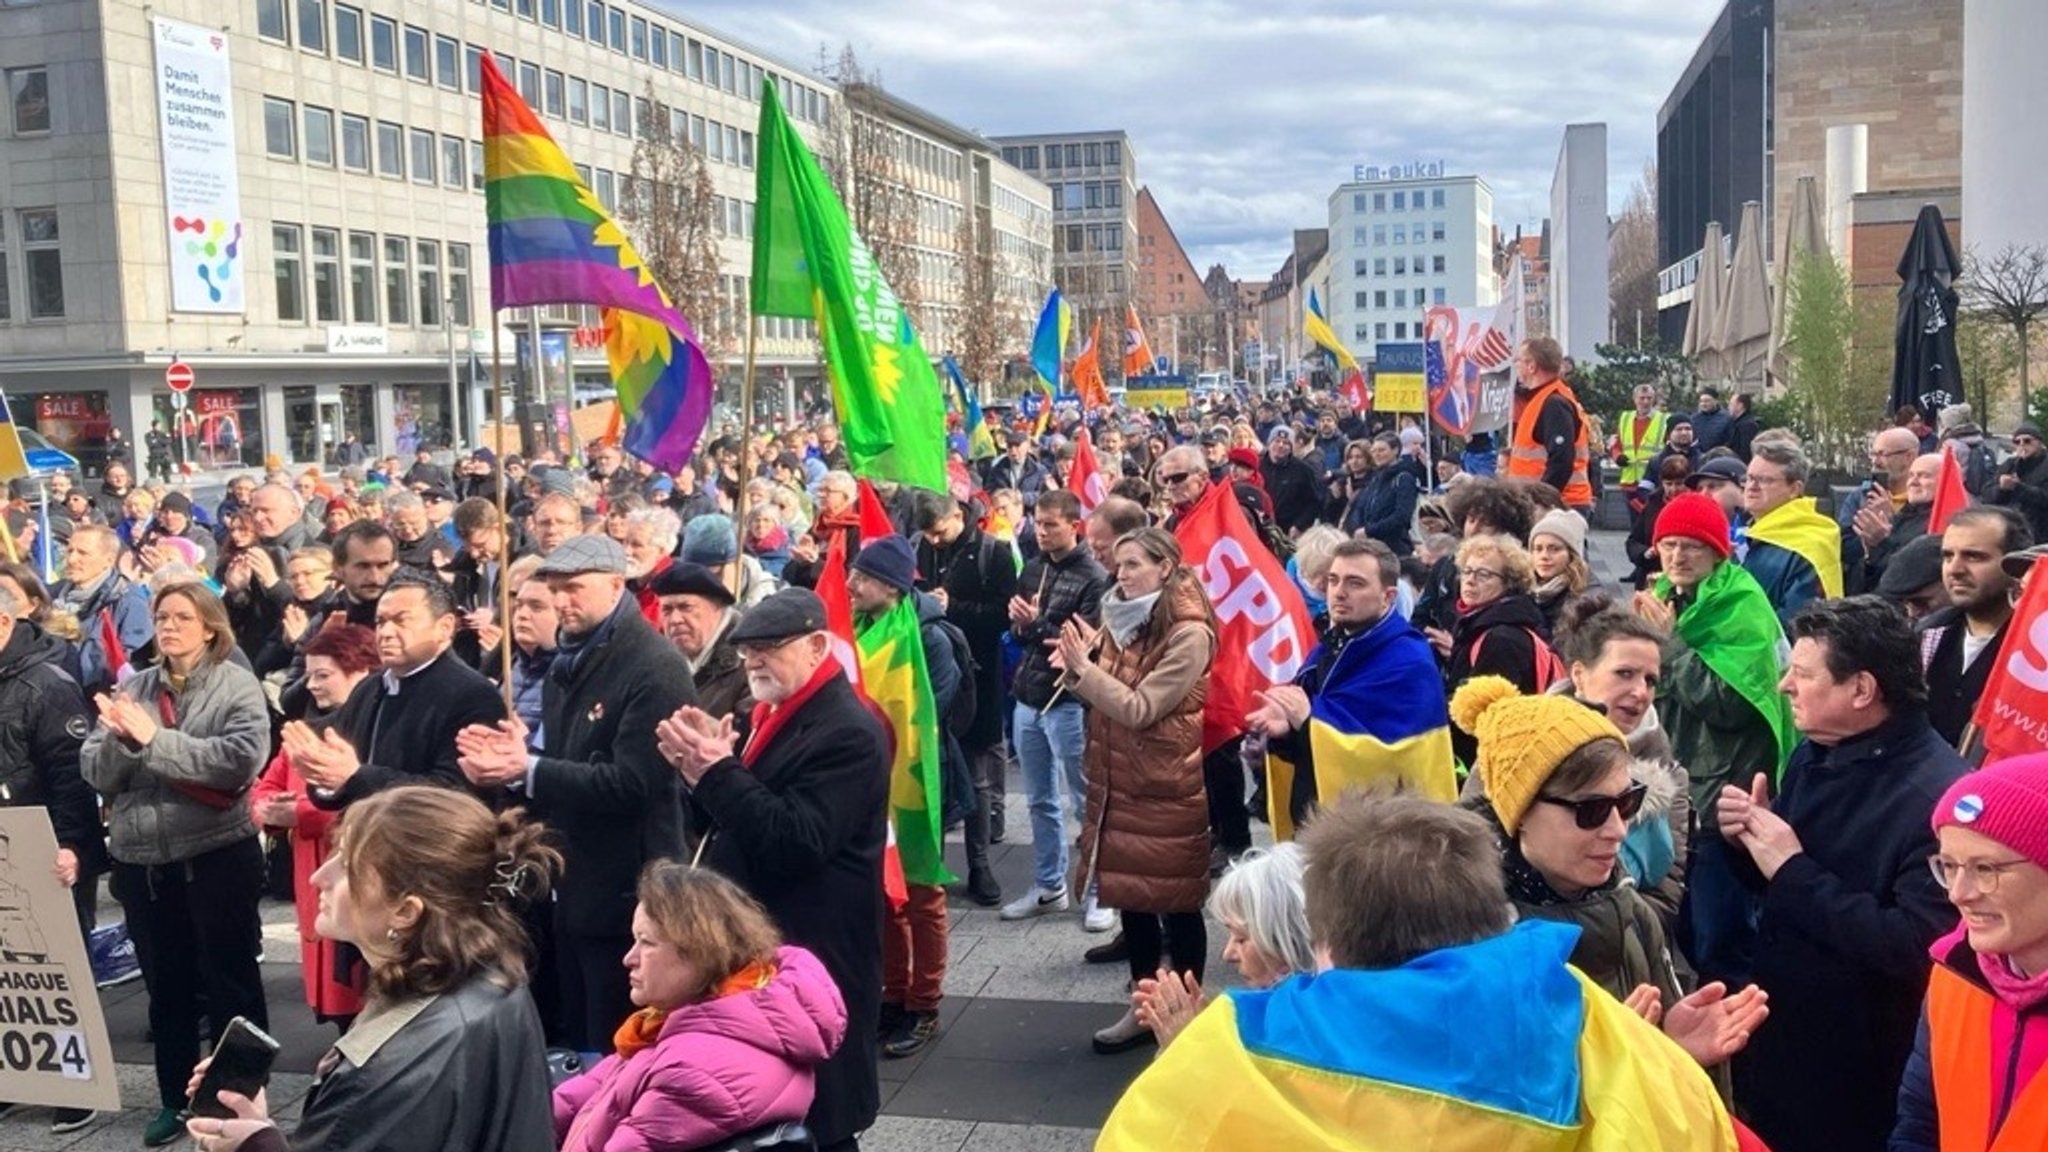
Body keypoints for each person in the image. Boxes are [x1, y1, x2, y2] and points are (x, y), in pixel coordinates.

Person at [1095, 790, 1741, 1150]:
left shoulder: (1231, 1045)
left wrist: (1185, 1055)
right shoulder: (1593, 1021)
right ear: (1492, 914)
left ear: (1325, 941)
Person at [1716, 596, 1969, 1152]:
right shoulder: (1819, 750)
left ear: (1861, 690)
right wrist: (1746, 842)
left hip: (1858, 1073)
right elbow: (1783, 887)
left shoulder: (1938, 798)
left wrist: (1790, 867)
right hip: (1785, 1036)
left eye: (1803, 675)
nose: (1785, 685)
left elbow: (1918, 949)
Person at [184, 787, 561, 1152]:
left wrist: (254, 1145)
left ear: (406, 911)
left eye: (347, 866)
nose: (319, 877)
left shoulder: (389, 1067)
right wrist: (262, 1132)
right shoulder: (489, 974)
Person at [654, 588, 887, 1152]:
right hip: (764, 942)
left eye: (767, 648)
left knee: (822, 1116)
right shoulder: (769, 712)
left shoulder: (848, 731)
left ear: (815, 646)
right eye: (746, 650)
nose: (753, 661)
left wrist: (716, 772)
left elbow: (795, 842)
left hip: (815, 948)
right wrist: (696, 776)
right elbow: (731, 819)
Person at [457, 535, 696, 1056]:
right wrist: (515, 766)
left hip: (626, 897)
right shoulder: (570, 660)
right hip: (573, 888)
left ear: (616, 586)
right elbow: (564, 764)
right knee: (581, 1042)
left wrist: (532, 767)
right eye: (555, 589)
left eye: (574, 589)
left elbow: (635, 782)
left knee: (618, 1048)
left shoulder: (654, 666)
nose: (563, 602)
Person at [1453, 676, 1769, 1069]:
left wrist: (1673, 1053)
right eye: (1591, 811)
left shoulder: (1634, 913)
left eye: (1627, 802)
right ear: (1518, 814)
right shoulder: (1465, 940)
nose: (1619, 829)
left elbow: (1654, 1077)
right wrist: (1603, 1067)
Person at [81, 581, 270, 1147]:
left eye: (182, 617)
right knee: (167, 988)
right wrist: (121, 739)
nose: (167, 626)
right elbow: (94, 769)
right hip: (143, 864)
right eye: (162, 616)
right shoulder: (133, 687)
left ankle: (241, 1099)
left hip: (215, 855)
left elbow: (238, 761)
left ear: (210, 626)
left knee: (230, 981)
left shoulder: (236, 685)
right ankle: (173, 1099)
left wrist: (154, 740)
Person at [1053, 527, 1216, 1055]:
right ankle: (1145, 1008)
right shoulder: (1121, 616)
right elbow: (1107, 692)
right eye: (1118, 565)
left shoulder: (1189, 632)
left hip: (1163, 786)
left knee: (1178, 901)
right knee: (1133, 900)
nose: (1120, 575)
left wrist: (1086, 672)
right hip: (1120, 779)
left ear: (1165, 568)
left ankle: (1186, 1015)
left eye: (1132, 565)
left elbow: (1142, 708)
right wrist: (1083, 667)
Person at [550, 863, 847, 1151]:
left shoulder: (689, 1069)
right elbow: (581, 1096)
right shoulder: (697, 1024)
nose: (629, 958)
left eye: (647, 943)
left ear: (700, 953)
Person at [1633, 492, 1797, 989]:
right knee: (1680, 925)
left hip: (1723, 794)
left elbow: (1727, 704)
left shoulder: (1739, 604)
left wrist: (1669, 642)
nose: (1677, 557)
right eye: (1668, 545)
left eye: (1691, 547)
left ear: (1718, 553)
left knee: (1717, 935)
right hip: (1680, 781)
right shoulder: (1670, 597)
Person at [1891, 753, 2048, 1152]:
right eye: (1948, 866)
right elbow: (1920, 1120)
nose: (1959, 894)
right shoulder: (1955, 971)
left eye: (1986, 870)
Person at [1249, 538, 1452, 831]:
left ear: (1388, 597)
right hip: (1320, 822)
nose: (1339, 593)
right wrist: (1283, 730)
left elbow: (1392, 759)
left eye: (1355, 583)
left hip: (1380, 839)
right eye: (1333, 580)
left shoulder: (1410, 660)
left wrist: (1307, 719)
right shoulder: (1332, 644)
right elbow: (1318, 719)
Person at [248, 624, 378, 1029]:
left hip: (357, 871)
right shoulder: (306, 728)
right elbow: (264, 786)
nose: (313, 685)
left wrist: (299, 812)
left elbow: (370, 801)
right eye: (309, 675)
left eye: (324, 675)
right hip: (312, 871)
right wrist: (269, 809)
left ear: (360, 671)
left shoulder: (371, 728)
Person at [290, 569, 508, 808]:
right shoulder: (370, 687)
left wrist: (356, 776)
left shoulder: (472, 695)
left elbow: (458, 794)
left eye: (401, 621)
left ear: (445, 627)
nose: (386, 633)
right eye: (381, 622)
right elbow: (339, 778)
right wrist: (322, 772)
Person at [1000, 489, 1110, 926]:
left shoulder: (1094, 577)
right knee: (1039, 799)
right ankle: (1050, 884)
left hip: (1068, 701)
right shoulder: (1031, 568)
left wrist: (1034, 623)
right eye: (1038, 523)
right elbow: (1023, 636)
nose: (1042, 532)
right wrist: (1018, 622)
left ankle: (1100, 889)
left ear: (1074, 526)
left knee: (1084, 799)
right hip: (1029, 696)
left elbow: (1082, 642)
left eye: (1051, 525)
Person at [914, 490, 1020, 900]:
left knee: (976, 774)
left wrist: (953, 606)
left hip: (977, 674)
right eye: (928, 536)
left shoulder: (993, 552)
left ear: (958, 515)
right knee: (930, 774)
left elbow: (1003, 614)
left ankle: (980, 865)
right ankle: (931, 863)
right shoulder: (919, 546)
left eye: (939, 532)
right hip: (927, 671)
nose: (934, 541)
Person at [1130, 845, 1314, 1049]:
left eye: (1242, 938)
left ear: (1290, 941)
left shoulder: (1296, 1032)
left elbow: (1236, 1080)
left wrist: (1186, 1044)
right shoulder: (1323, 1011)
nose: (1227, 954)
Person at [1438, 533, 1559, 765]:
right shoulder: (1482, 622)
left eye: (1484, 574)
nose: (1470, 580)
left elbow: (1480, 716)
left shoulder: (1501, 638)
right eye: (1467, 571)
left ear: (1509, 583)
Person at [1922, 507, 2031, 750]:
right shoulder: (1925, 636)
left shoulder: (2036, 650)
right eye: (1948, 556)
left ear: (2016, 566)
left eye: (1974, 557)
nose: (1955, 569)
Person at [1741, 440, 1844, 626]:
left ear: (1794, 489)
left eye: (1764, 480)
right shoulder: (1746, 535)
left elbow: (1799, 622)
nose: (1752, 486)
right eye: (1749, 478)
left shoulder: (1811, 543)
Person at [52, 523, 152, 693]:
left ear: (109, 560)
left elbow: (134, 667)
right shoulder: (52, 595)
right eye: (70, 551)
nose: (72, 559)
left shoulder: (127, 601)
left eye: (83, 553)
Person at [649, 561, 751, 720]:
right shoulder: (656, 660)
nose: (675, 619)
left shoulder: (750, 659)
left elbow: (749, 735)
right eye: (667, 610)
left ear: (717, 606)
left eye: (686, 607)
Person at [1505, 337, 1594, 513]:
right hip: (1551, 502)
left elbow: (1561, 461)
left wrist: (1541, 502)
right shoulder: (1547, 397)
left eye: (1518, 360)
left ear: (1532, 366)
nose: (1516, 365)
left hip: (1556, 505)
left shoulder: (1553, 402)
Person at [1841, 426, 1925, 593]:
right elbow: (1844, 548)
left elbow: (1919, 555)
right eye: (1873, 454)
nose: (1875, 461)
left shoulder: (1923, 500)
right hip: (1863, 591)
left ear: (1909, 456)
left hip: (1904, 594)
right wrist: (1868, 539)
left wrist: (1891, 523)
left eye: (1883, 454)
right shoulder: (1860, 497)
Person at [1345, 433, 1423, 555]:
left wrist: (1370, 530)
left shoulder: (1404, 478)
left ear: (1395, 450)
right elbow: (1362, 508)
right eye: (1374, 451)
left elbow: (1402, 515)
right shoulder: (1375, 479)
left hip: (1393, 547)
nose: (1377, 454)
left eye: (1382, 450)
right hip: (1370, 545)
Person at [1528, 508, 1591, 639]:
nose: (1544, 556)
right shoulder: (1523, 591)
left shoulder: (1587, 601)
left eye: (1554, 549)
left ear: (1572, 555)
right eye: (1538, 549)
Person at [1258, 426, 1322, 535]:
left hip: (1288, 533)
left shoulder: (1303, 471)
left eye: (1286, 443)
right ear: (1269, 443)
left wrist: (1299, 526)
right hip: (1258, 529)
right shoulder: (1257, 466)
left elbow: (1314, 503)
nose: (1281, 445)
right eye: (1277, 441)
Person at [1990, 421, 2048, 541]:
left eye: (2027, 441)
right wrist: (2001, 489)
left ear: (2039, 442)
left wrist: (2018, 487)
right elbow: (1987, 495)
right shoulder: (2009, 465)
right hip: (2013, 529)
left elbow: (2044, 497)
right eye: (2017, 442)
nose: (2022, 445)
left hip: (2041, 531)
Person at [1613, 384, 1668, 488]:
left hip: (1653, 480)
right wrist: (1618, 457)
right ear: (1634, 399)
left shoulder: (1664, 420)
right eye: (1642, 398)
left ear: (1654, 399)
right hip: (1628, 481)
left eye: (1649, 398)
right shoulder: (1625, 418)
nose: (1646, 402)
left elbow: (1669, 449)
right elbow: (1617, 445)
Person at [1690, 388, 1735, 455]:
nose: (1703, 404)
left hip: (1719, 456)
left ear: (1716, 401)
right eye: (1701, 401)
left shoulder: (1726, 419)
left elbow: (1730, 440)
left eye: (1707, 401)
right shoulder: (1694, 419)